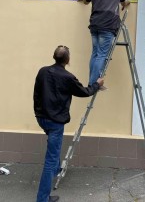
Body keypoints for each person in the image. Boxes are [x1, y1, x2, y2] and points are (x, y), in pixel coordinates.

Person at [33, 45, 104, 202]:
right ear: (68, 60)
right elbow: (85, 92)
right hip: (55, 122)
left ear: (54, 57)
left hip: (42, 118)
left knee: (54, 149)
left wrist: (38, 112)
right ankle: (42, 199)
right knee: (50, 160)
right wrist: (97, 84)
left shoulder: (42, 71)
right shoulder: (67, 77)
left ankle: (57, 169)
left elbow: (36, 94)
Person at [78, 0, 130, 89]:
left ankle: (92, 82)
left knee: (95, 54)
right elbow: (124, 2)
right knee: (101, 55)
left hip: (95, 26)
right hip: (108, 27)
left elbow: (86, 1)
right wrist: (127, 3)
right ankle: (93, 84)